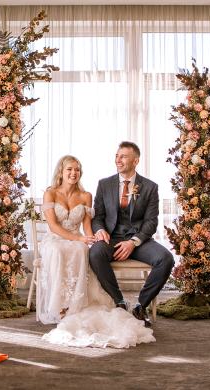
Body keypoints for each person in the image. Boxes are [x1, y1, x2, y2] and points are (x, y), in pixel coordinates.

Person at [38, 155, 154, 348]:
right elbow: (53, 226)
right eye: (69, 169)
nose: (74, 173)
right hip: (56, 239)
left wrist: (93, 239)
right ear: (61, 171)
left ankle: (74, 305)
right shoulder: (50, 193)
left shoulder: (85, 196)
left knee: (81, 250)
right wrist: (78, 238)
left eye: (77, 170)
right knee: (59, 251)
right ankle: (59, 306)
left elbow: (86, 228)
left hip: (78, 238)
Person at [90, 141, 175, 327]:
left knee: (166, 259)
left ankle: (140, 306)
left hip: (139, 241)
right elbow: (98, 217)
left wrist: (133, 242)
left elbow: (151, 221)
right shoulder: (104, 184)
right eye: (117, 156)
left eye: (123, 157)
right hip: (111, 238)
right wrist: (100, 229)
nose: (118, 160)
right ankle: (119, 301)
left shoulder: (150, 187)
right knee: (95, 253)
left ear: (135, 161)